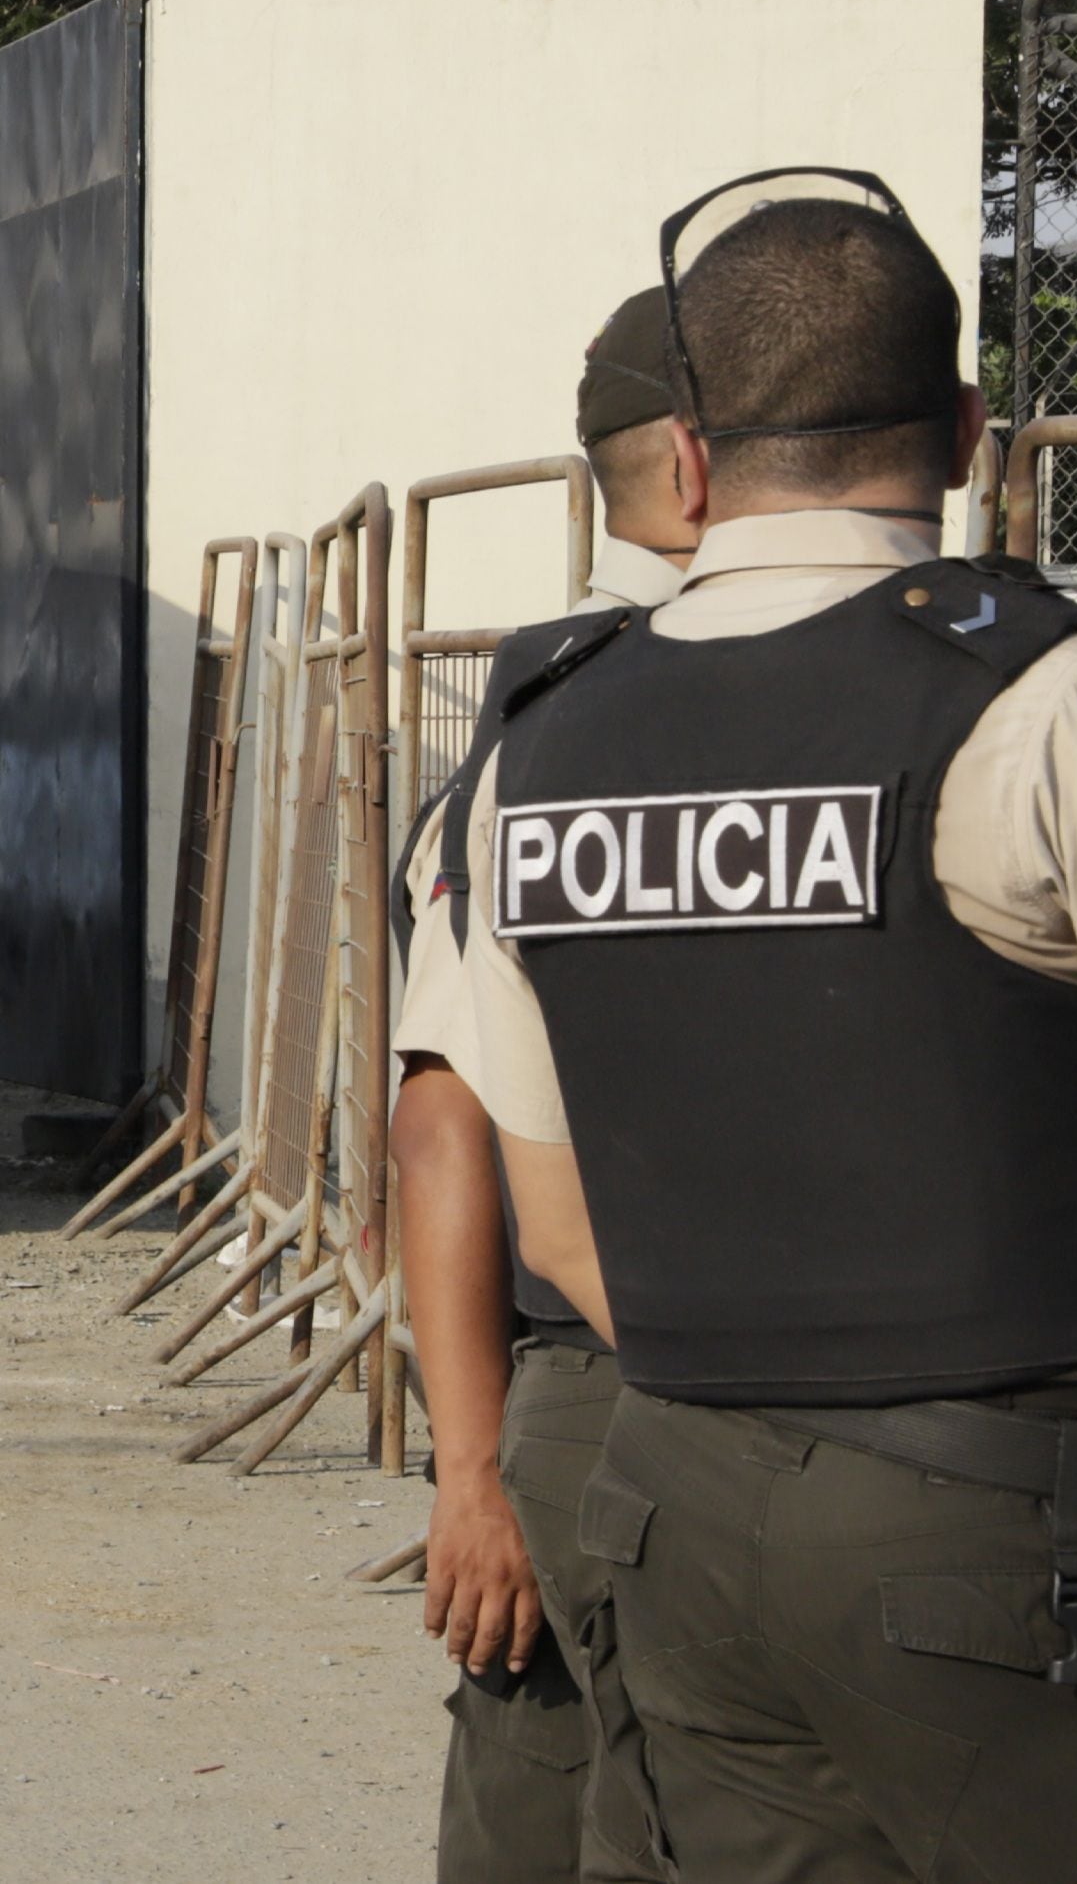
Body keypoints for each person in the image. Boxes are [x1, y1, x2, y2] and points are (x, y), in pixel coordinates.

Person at [446, 182, 1077, 1877]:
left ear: (685, 456)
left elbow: (563, 1230)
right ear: (964, 432)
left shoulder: (540, 735)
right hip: (1030, 1545)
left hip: (678, 1517)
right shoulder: (1048, 696)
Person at [390, 286, 695, 1884]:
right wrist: (473, 1470)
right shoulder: (564, 715)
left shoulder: (555, 711)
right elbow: (443, 1117)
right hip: (627, 1381)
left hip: (623, 1396)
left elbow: (439, 1115)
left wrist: (477, 1466)